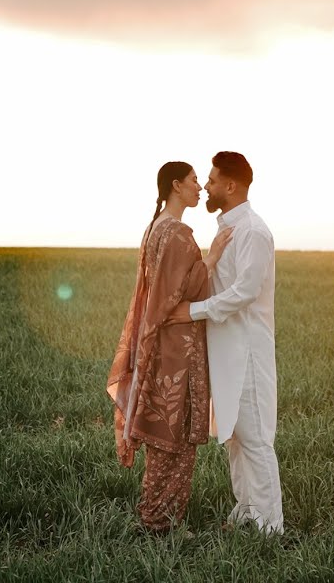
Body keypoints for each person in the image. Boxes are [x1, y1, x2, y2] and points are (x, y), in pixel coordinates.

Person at [107, 161, 234, 533]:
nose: (200, 188)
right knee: (174, 437)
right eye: (195, 181)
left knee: (163, 437)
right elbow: (186, 289)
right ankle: (163, 522)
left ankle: (156, 517)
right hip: (178, 347)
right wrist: (211, 258)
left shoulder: (154, 228)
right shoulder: (177, 232)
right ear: (176, 185)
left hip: (160, 344)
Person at [166, 151, 283, 534]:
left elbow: (244, 292)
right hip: (225, 352)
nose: (207, 186)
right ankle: (246, 513)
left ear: (231, 186)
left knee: (256, 439)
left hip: (247, 351)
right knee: (235, 435)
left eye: (213, 180)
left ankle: (271, 530)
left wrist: (192, 311)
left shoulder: (253, 230)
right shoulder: (228, 227)